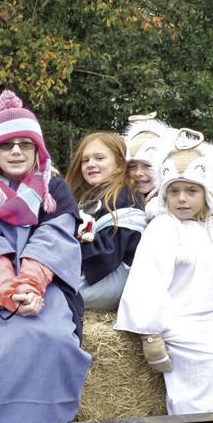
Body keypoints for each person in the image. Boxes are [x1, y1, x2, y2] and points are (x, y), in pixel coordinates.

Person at [0, 90, 91, 423]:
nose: (16, 151)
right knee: (3, 342)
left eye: (25, 144)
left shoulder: (55, 192)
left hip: (44, 284)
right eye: (7, 145)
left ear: (38, 150)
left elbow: (53, 240)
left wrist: (31, 288)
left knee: (53, 336)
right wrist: (9, 293)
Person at [117, 140, 213, 413]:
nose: (182, 198)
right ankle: (195, 422)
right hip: (178, 324)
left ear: (206, 193)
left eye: (191, 190)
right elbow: (147, 281)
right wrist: (150, 333)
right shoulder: (163, 228)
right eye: (174, 191)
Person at [65, 132, 147, 310]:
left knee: (50, 294)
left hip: (107, 279)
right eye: (85, 160)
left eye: (99, 158)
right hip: (91, 274)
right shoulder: (89, 197)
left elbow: (105, 257)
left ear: (119, 165)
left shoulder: (124, 198)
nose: (91, 164)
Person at [123, 114, 176, 209]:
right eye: (132, 166)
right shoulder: (120, 201)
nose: (138, 173)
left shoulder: (177, 207)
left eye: (147, 166)